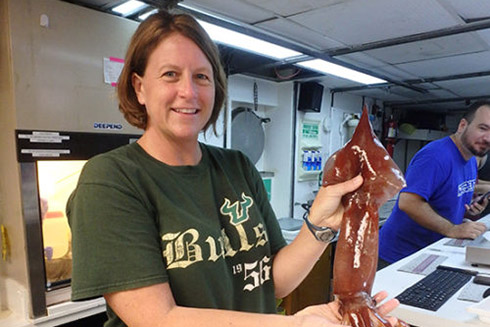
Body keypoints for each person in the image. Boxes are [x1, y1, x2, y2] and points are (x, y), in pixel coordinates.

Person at [67, 11, 399, 327]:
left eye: (201, 76)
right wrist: (294, 323)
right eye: (171, 74)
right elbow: (157, 318)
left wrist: (320, 225)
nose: (189, 91)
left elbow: (272, 282)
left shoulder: (236, 166)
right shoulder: (111, 180)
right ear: (139, 87)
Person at [379, 101, 490, 267]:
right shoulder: (436, 156)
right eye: (483, 128)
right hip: (397, 257)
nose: (488, 138)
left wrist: (471, 209)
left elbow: (448, 196)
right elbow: (408, 202)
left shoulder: (471, 161)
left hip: (429, 253)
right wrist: (453, 229)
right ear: (462, 125)